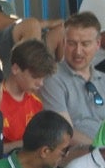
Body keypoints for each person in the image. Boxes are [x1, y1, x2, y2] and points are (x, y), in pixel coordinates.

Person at [44, 14, 105, 151]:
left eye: (85, 44)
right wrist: (100, 150)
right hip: (79, 157)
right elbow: (65, 132)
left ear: (97, 44)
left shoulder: (103, 79)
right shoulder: (53, 78)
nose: (78, 51)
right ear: (64, 42)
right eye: (71, 43)